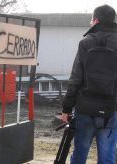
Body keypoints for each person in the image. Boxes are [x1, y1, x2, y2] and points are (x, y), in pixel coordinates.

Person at [61, 4, 117, 164]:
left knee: (80, 154)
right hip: (111, 109)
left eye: (91, 20)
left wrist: (66, 108)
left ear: (96, 20)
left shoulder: (86, 43)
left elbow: (76, 78)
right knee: (107, 156)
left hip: (85, 109)